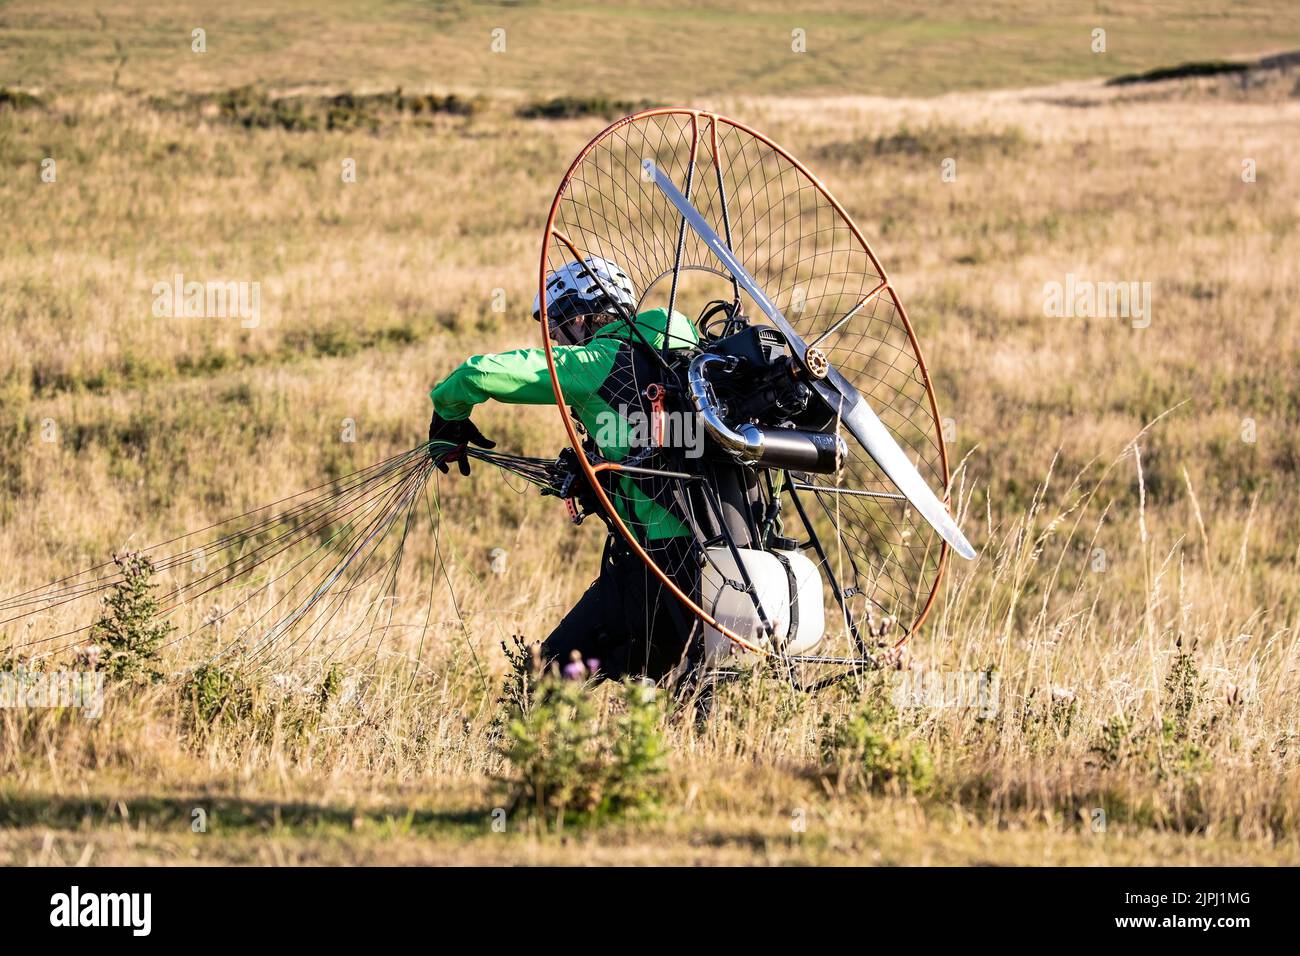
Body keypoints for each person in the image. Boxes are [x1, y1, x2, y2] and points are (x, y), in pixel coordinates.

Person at [427, 257, 703, 685]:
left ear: (583, 317)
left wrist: (449, 413)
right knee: (695, 692)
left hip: (656, 565)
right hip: (731, 554)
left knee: (542, 681)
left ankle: (536, 747)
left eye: (556, 328)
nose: (555, 343)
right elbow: (659, 443)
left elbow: (478, 374)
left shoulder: (602, 360)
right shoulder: (696, 355)